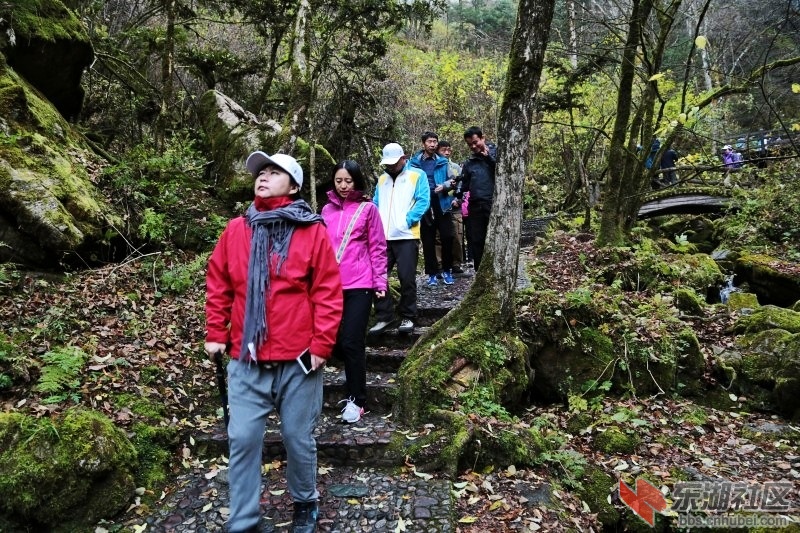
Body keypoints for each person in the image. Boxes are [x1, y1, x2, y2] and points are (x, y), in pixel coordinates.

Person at [204, 151, 343, 533]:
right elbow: (219, 283)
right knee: (243, 437)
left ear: (294, 186)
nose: (262, 177)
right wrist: (216, 332)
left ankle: (305, 501)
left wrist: (321, 345)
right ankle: (245, 520)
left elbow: (327, 291)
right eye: (259, 172)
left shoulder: (311, 231)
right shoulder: (236, 229)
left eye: (274, 172)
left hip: (298, 357)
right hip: (246, 356)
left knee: (298, 438)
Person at [320, 160, 387, 423]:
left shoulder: (368, 209)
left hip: (360, 283)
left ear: (357, 181)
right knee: (333, 340)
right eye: (339, 181)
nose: (344, 185)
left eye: (348, 180)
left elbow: (378, 247)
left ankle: (358, 400)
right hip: (330, 285)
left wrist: (380, 282)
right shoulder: (326, 210)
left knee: (352, 341)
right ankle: (352, 389)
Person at [368, 142, 430, 335]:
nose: (391, 167)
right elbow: (375, 203)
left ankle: (408, 316)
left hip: (406, 235)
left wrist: (408, 220)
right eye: (388, 164)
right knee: (376, 277)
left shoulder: (417, 175)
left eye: (394, 163)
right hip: (382, 237)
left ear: (404, 158)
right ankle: (384, 316)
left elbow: (423, 200)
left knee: (406, 277)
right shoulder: (382, 180)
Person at [408, 131, 456, 287]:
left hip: (441, 203)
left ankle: (447, 270)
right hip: (423, 204)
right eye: (430, 141)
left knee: (448, 236)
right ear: (424, 143)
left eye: (435, 141)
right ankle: (432, 274)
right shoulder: (414, 163)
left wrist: (445, 186)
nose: (433, 144)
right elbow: (408, 181)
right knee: (427, 239)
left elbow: (453, 181)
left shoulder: (443, 162)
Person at [459, 126, 496, 271]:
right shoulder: (469, 163)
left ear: (482, 138)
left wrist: (488, 158)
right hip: (475, 206)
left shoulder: (496, 153)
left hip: (493, 204)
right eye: (470, 144)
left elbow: (502, 172)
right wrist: (456, 189)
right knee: (477, 240)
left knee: (493, 239)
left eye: (475, 142)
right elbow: (465, 185)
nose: (473, 146)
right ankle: (479, 273)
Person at [436, 140, 465, 274]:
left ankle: (456, 264)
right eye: (443, 150)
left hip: (455, 208)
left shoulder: (456, 167)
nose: (446, 152)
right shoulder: (435, 167)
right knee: (438, 237)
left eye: (448, 149)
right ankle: (440, 265)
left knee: (457, 237)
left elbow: (463, 185)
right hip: (440, 208)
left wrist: (459, 200)